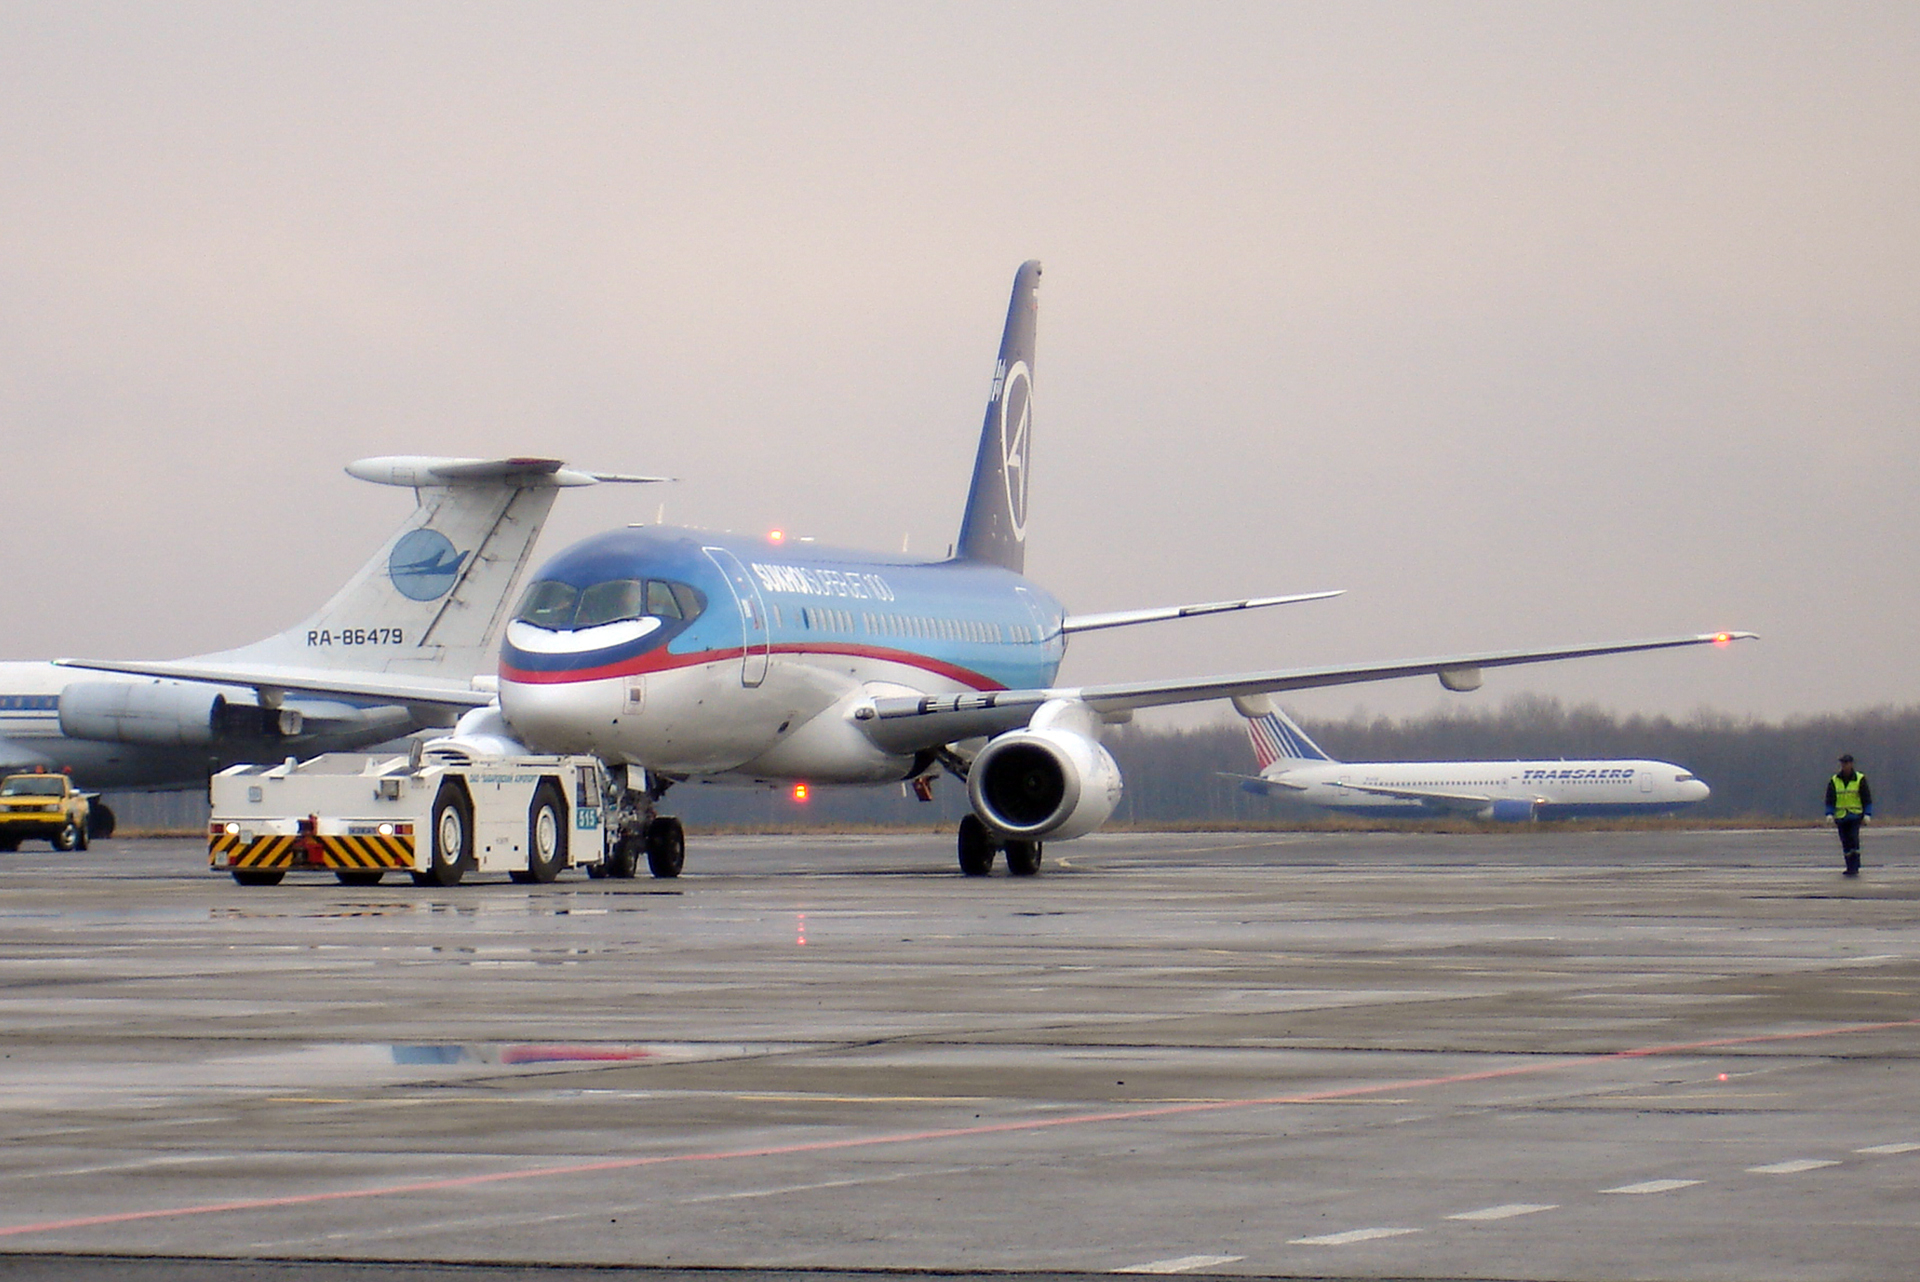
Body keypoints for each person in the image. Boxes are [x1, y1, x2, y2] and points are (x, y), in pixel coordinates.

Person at [1824, 754, 1873, 877]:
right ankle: (1849, 866)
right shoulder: (1835, 780)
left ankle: (1855, 865)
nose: (1845, 766)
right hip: (1841, 816)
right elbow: (1830, 798)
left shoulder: (1860, 779)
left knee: (1853, 839)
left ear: (1851, 764)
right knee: (1845, 842)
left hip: (1855, 815)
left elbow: (1866, 798)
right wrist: (1829, 813)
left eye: (1847, 763)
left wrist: (1867, 814)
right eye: (1843, 763)